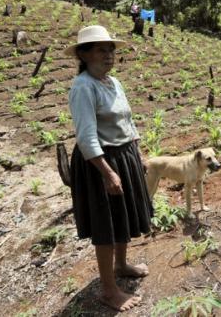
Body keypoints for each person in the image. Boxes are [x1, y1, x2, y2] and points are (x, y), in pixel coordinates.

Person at [64, 25, 153, 312]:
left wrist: (137, 152)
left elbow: (128, 121)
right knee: (106, 223)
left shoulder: (113, 82)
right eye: (101, 49)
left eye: (111, 49)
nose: (109, 55)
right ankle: (109, 290)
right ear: (84, 54)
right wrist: (108, 172)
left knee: (122, 215)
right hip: (99, 163)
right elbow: (87, 137)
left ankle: (121, 264)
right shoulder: (83, 86)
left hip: (123, 156)